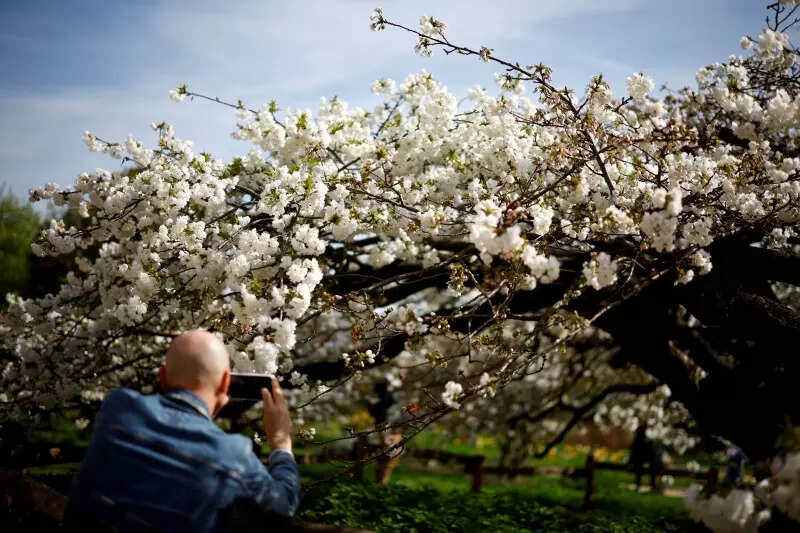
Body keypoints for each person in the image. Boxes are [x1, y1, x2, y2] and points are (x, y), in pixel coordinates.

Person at [65, 329, 299, 532]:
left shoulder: (117, 408)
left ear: (162, 377)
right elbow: (283, 505)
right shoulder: (232, 454)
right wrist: (280, 442)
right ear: (226, 382)